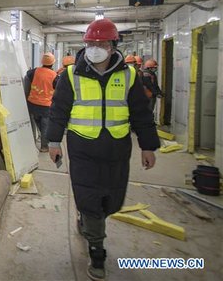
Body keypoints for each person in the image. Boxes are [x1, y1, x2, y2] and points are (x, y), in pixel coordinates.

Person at [46, 18, 159, 281]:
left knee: (111, 200)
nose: (96, 47)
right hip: (82, 146)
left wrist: (148, 146)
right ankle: (97, 250)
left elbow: (141, 113)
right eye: (91, 43)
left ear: (112, 45)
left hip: (117, 148)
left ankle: (89, 219)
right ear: (85, 44)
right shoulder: (72, 75)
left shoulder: (129, 75)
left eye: (102, 43)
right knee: (89, 198)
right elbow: (58, 110)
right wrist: (53, 142)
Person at [25, 53, 57, 152]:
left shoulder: (33, 72)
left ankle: (35, 141)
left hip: (33, 103)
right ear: (52, 63)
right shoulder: (55, 75)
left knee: (37, 123)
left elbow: (27, 81)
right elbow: (58, 91)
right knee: (45, 126)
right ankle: (44, 146)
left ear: (42, 62)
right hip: (46, 105)